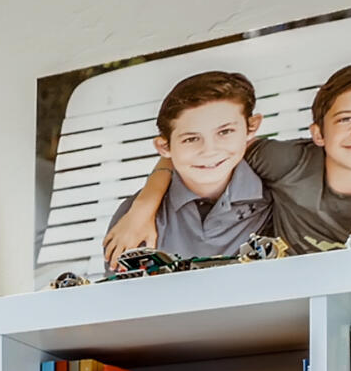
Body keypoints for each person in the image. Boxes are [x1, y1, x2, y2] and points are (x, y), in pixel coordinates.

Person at [105, 57, 351, 259]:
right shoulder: (287, 164)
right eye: (346, 119)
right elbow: (201, 151)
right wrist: (143, 205)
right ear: (318, 133)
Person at [101, 70, 272, 261]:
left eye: (225, 132)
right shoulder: (133, 221)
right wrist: (144, 206)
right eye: (191, 139)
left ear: (252, 127)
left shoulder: (279, 196)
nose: (209, 150)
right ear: (164, 147)